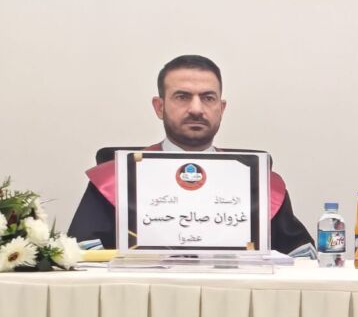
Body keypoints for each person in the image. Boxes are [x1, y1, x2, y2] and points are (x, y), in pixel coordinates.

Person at [68, 54, 313, 252]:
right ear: (159, 107)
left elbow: (301, 259)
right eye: (182, 97)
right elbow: (83, 256)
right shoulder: (116, 180)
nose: (196, 109)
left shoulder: (258, 183)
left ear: (221, 108)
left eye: (208, 98)